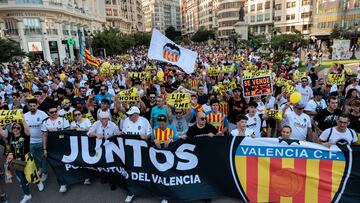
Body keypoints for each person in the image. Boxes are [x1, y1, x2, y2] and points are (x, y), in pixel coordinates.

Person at [0, 122, 44, 203]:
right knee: (22, 179)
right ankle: (27, 194)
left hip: (27, 159)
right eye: (14, 128)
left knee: (31, 174)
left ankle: (38, 182)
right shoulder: (10, 136)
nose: (15, 129)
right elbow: (2, 131)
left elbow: (27, 129)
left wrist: (22, 118)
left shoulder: (25, 135)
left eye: (18, 128)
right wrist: (2, 123)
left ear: (21, 129)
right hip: (16, 161)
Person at [121, 106, 152, 203]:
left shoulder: (144, 121)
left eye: (131, 115)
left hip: (142, 151)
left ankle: (145, 189)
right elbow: (124, 133)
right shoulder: (126, 120)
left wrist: (145, 136)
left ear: (137, 115)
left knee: (143, 171)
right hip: (129, 151)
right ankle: (131, 192)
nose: (129, 116)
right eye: (129, 115)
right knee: (130, 171)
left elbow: (149, 134)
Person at [41, 105, 70, 193]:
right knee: (56, 165)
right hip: (52, 147)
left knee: (66, 163)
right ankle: (62, 184)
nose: (54, 113)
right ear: (48, 113)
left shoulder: (63, 119)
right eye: (52, 112)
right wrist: (44, 148)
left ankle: (69, 178)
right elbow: (44, 135)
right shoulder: (45, 122)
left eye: (55, 111)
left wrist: (57, 132)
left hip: (63, 145)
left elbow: (68, 132)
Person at [24, 99, 49, 182]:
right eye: (30, 106)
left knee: (43, 158)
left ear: (37, 105)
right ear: (28, 106)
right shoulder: (25, 115)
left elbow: (47, 126)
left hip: (41, 141)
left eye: (34, 106)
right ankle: (40, 168)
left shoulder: (43, 114)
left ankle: (45, 173)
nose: (32, 107)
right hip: (30, 142)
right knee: (34, 158)